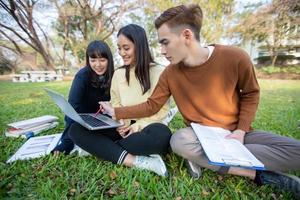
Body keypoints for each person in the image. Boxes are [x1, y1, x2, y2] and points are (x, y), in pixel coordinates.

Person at [99, 4, 300, 198]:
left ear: (186, 35)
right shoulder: (170, 73)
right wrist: (116, 112)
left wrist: (240, 130)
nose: (161, 50)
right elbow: (152, 105)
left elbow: (250, 93)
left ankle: (204, 160)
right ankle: (254, 173)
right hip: (199, 137)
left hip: (238, 134)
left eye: (165, 42)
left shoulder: (236, 57)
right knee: (178, 142)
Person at [69, 24, 171, 177]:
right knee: (76, 130)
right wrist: (121, 123)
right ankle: (135, 160)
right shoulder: (118, 74)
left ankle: (102, 149)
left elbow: (161, 109)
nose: (122, 53)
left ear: (140, 45)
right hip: (122, 129)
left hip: (146, 128)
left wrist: (137, 127)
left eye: (126, 48)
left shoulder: (159, 72)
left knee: (162, 135)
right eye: (119, 48)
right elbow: (116, 103)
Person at [52, 40, 114, 155]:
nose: (98, 65)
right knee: (76, 130)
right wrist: (66, 142)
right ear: (88, 60)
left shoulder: (116, 75)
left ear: (109, 60)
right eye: (93, 60)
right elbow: (71, 109)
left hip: (107, 119)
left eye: (102, 60)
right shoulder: (82, 76)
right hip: (82, 119)